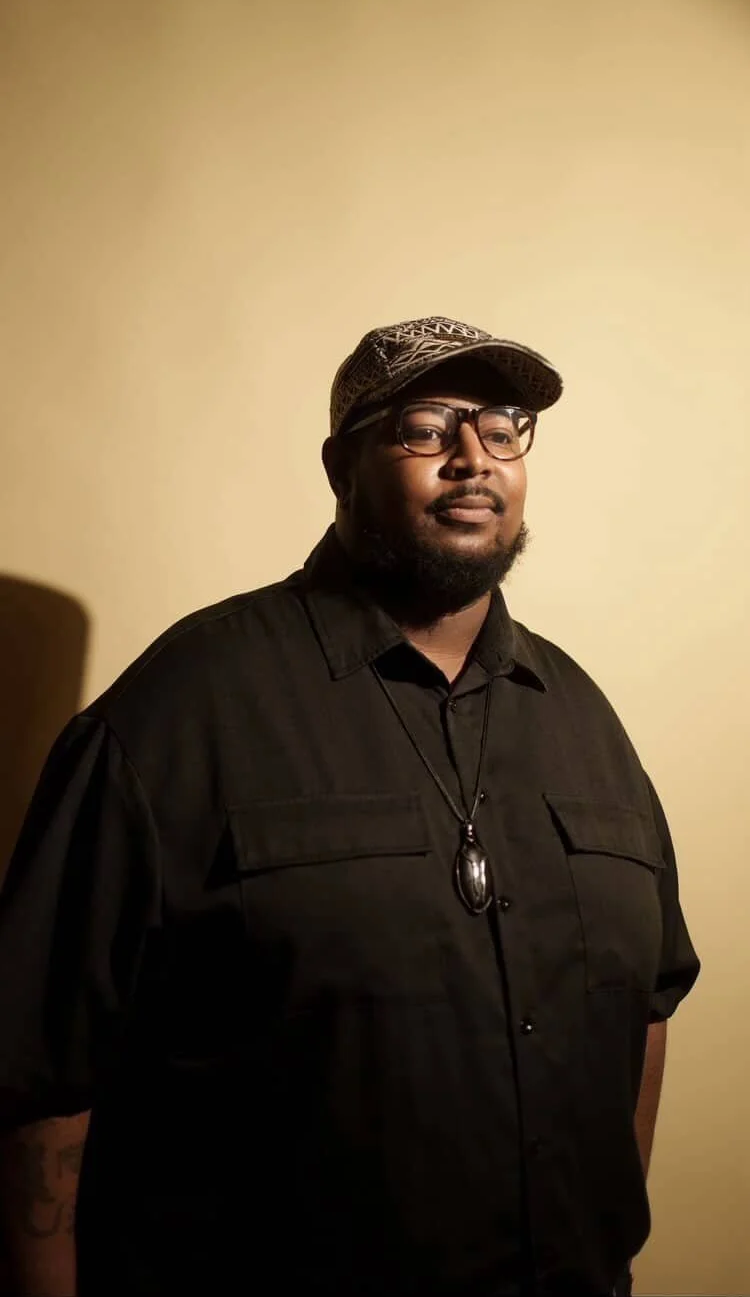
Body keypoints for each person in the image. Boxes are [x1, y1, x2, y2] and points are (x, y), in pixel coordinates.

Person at [0, 316, 699, 1297]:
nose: (473, 458)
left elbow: (649, 1003)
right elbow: (37, 1076)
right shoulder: (180, 710)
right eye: (426, 426)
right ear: (342, 466)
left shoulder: (586, 720)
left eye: (502, 428)